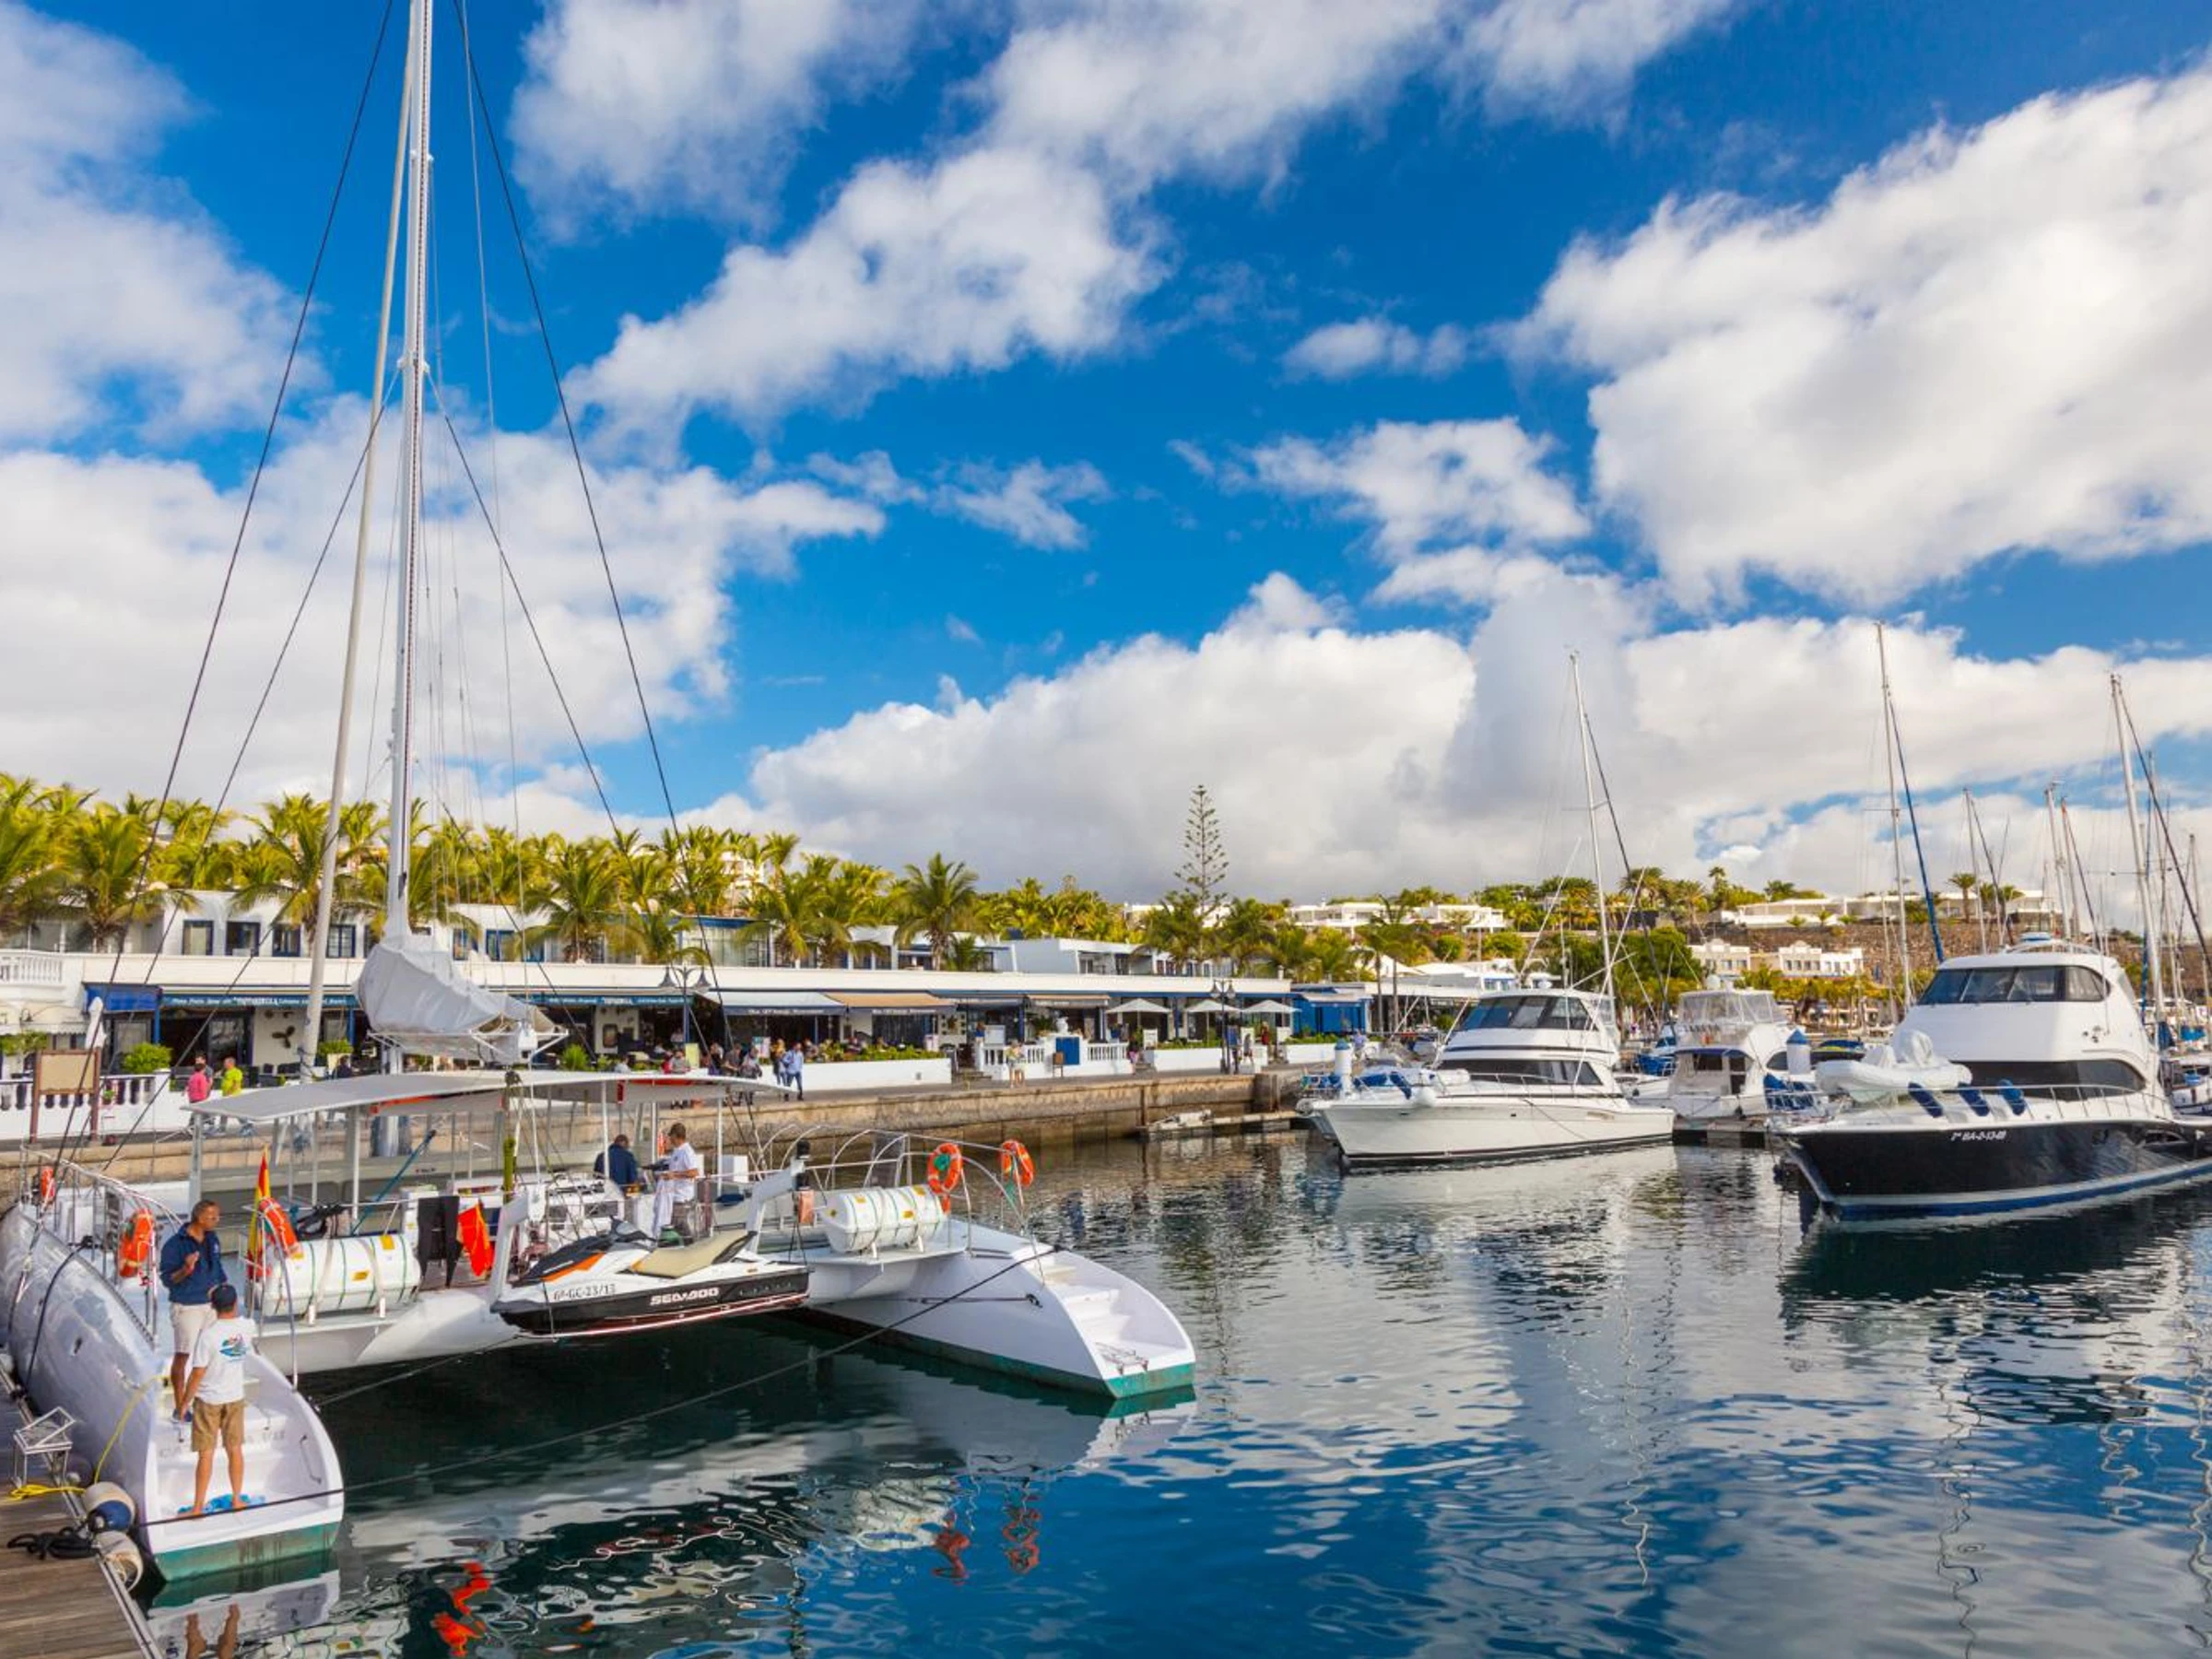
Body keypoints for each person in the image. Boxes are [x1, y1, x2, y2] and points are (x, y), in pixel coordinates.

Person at [178, 1283, 255, 1518]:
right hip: (235, 1398)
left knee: (206, 1454)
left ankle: (197, 1508)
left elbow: (197, 1373)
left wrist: (184, 1402)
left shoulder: (208, 1336)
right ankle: (237, 1500)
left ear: (212, 1307)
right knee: (235, 1450)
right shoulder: (247, 1327)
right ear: (235, 1303)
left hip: (208, 1401)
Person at [160, 1199, 228, 1415]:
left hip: (212, 1306)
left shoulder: (212, 1238)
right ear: (199, 1218)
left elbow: (218, 1268)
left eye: (217, 1216)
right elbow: (168, 1280)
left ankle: (208, 1401)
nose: (217, 1220)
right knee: (183, 1355)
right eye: (212, 1216)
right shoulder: (174, 1245)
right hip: (187, 1307)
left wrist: (224, 1291)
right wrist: (186, 1269)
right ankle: (180, 1408)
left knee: (212, 1354)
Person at [654, 1123, 701, 1238]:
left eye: (671, 1136)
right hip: (673, 1196)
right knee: (673, 1225)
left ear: (676, 1136)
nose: (670, 1139)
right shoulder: (677, 1150)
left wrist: (674, 1175)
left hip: (682, 1197)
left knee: (679, 1225)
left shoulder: (686, 1152)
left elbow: (694, 1172)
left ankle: (690, 1243)